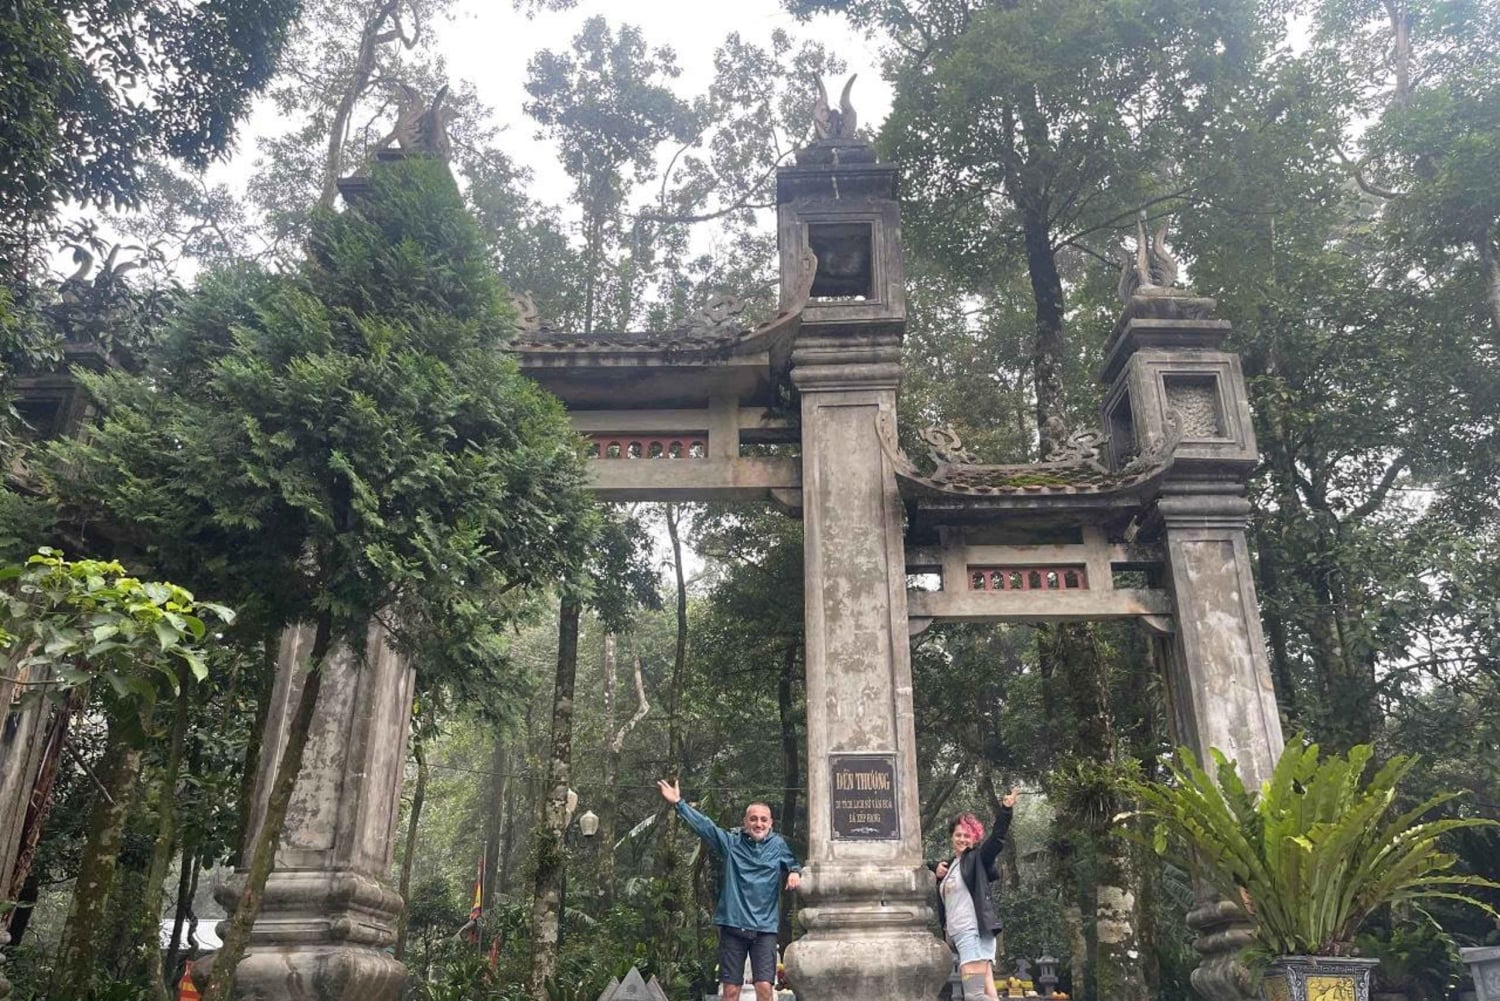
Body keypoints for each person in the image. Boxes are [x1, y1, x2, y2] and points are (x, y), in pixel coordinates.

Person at [657, 778, 802, 1001]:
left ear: (771, 823)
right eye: (753, 819)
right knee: (731, 990)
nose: (758, 824)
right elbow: (706, 828)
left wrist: (794, 871)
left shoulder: (778, 845)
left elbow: (792, 863)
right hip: (734, 926)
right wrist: (679, 803)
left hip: (764, 929)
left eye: (763, 820)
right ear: (745, 822)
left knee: (764, 986)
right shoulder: (732, 843)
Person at [933, 789, 1019, 1001]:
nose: (962, 839)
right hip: (961, 937)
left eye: (967, 835)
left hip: (973, 934)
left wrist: (1006, 811)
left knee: (974, 995)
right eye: (958, 835)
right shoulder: (951, 866)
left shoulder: (977, 859)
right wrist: (934, 869)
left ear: (974, 838)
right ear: (952, 837)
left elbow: (997, 839)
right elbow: (926, 866)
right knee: (989, 995)